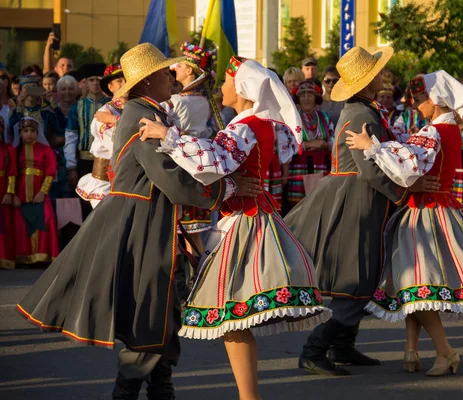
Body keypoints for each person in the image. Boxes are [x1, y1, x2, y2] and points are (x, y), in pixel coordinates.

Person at [16, 42, 263, 400]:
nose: (172, 76)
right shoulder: (142, 114)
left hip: (150, 219)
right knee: (150, 305)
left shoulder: (147, 110)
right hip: (140, 222)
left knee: (161, 305)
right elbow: (170, 178)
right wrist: (225, 187)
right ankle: (130, 390)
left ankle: (160, 386)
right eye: (165, 72)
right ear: (147, 81)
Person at [137, 55, 331, 400]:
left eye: (226, 82)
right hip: (255, 215)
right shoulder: (259, 124)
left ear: (240, 89)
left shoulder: (244, 126)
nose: (221, 88)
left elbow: (211, 162)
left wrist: (167, 135)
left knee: (231, 315)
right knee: (234, 318)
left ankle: (248, 397)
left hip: (245, 222)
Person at [346, 71, 463, 377]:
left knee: (419, 287)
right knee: (413, 286)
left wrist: (372, 146)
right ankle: (411, 350)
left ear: (436, 100)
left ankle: (445, 351)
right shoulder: (447, 130)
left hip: (427, 215)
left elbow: (405, 168)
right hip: (434, 210)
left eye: (420, 100)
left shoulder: (433, 132)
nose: (415, 105)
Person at [285, 46, 417, 376]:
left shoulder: (363, 109)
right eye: (374, 75)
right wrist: (402, 192)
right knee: (355, 276)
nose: (380, 78)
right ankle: (314, 350)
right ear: (365, 82)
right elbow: (370, 169)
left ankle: (342, 346)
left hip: (356, 194)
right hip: (356, 198)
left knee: (363, 272)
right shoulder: (362, 114)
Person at [76, 64, 127, 208]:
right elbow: (119, 145)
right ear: (110, 87)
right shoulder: (105, 113)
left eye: (128, 80)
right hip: (105, 184)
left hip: (125, 183)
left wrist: (117, 120)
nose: (125, 84)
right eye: (120, 81)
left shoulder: (132, 110)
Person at [12, 117, 59, 265]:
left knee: (47, 218)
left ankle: (43, 256)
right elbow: (11, 174)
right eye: (25, 131)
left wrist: (42, 192)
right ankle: (23, 257)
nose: (29, 134)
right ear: (20, 133)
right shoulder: (14, 151)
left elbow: (50, 172)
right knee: (20, 223)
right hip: (20, 194)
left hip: (40, 193)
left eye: (32, 131)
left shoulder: (45, 150)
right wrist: (13, 195)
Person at [64, 63, 109, 213]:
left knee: (105, 203)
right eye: (91, 80)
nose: (95, 83)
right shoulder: (77, 107)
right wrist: (71, 166)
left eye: (98, 79)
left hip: (107, 163)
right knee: (84, 204)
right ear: (86, 83)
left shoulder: (111, 105)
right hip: (83, 161)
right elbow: (71, 137)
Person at [287, 80, 333, 208]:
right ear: (298, 99)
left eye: (310, 95)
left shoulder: (325, 117)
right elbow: (286, 146)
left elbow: (333, 140)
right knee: (298, 208)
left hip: (321, 167)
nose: (306, 99)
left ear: (316, 98)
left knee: (320, 205)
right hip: (298, 168)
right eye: (302, 95)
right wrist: (308, 144)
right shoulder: (292, 119)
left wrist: (325, 144)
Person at [0, 113, 16, 269]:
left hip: (2, 187)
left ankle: (4, 258)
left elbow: (12, 171)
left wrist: (9, 192)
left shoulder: (8, 148)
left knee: (4, 225)